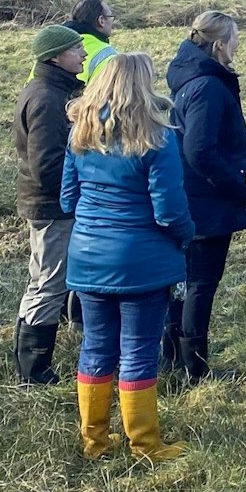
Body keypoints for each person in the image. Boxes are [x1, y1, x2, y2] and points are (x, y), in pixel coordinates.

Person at [61, 52, 193, 462]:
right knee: (138, 350)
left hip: (88, 258)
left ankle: (95, 442)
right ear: (143, 86)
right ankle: (145, 444)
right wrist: (187, 236)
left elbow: (67, 199)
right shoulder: (157, 137)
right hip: (142, 261)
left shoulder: (80, 134)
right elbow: (168, 211)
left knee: (96, 346)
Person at [163, 11, 246, 384]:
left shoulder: (189, 78)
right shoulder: (209, 87)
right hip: (206, 201)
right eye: (234, 40)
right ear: (219, 45)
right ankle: (194, 368)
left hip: (190, 195)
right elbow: (199, 149)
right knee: (201, 283)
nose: (237, 46)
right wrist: (232, 182)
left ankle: (173, 358)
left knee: (183, 281)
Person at [12, 24, 87, 385]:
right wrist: (74, 195)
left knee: (45, 280)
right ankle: (34, 371)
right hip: (52, 208)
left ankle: (30, 363)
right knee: (48, 285)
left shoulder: (51, 90)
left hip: (49, 205)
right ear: (56, 57)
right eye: (76, 49)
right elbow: (47, 166)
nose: (84, 54)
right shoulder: (47, 99)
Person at [67, 0, 118, 85]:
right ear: (101, 21)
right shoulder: (108, 54)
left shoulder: (57, 45)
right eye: (111, 17)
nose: (113, 22)